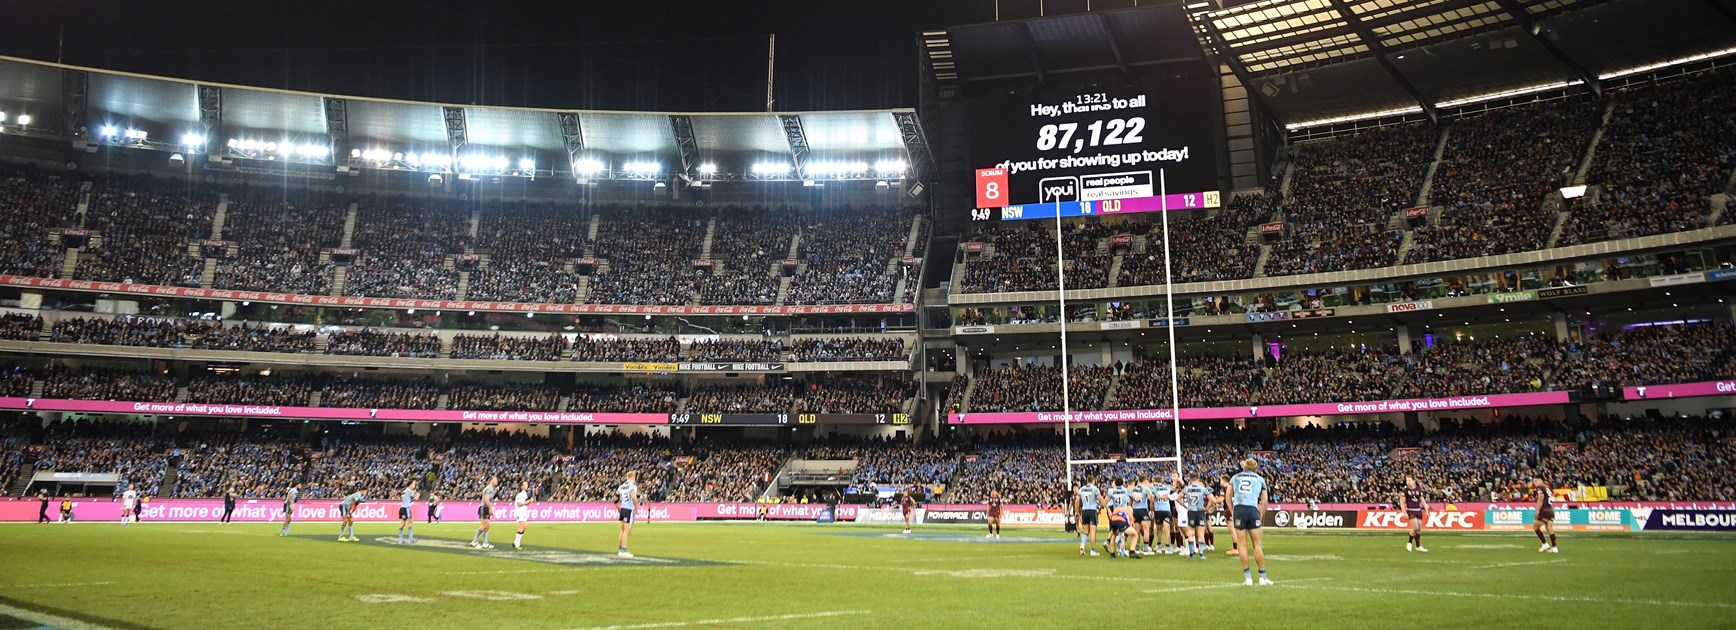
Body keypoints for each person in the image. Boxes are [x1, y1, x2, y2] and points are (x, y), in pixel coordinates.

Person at [1230, 458, 1272, 586]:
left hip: (1239, 508)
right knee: (1257, 544)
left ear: (1244, 467)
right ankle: (1262, 577)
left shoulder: (1235, 477)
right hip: (1252, 510)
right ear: (1255, 469)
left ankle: (1248, 578)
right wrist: (1260, 514)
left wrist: (1232, 510)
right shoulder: (1259, 479)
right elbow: (1264, 500)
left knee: (1242, 545)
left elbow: (1228, 494)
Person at [1181, 473, 1211, 560]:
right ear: (1198, 480)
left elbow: (1178, 498)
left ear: (1190, 480)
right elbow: (1212, 499)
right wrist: (1206, 508)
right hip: (1200, 512)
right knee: (1201, 533)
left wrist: (1184, 505)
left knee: (1190, 533)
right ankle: (1201, 554)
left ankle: (1191, 553)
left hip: (1191, 512)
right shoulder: (1202, 489)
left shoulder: (1186, 489)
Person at [1400, 475, 1429, 552]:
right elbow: (1402, 503)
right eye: (1407, 480)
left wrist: (1426, 510)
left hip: (1418, 510)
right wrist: (1404, 512)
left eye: (1409, 480)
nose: (1408, 482)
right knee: (1415, 527)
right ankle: (1409, 542)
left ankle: (1418, 546)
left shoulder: (1419, 490)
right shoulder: (1405, 491)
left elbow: (1422, 501)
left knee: (1419, 529)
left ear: (1413, 481)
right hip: (1410, 510)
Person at [1103, 478, 1131, 556]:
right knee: (1123, 532)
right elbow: (1132, 498)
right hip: (1123, 513)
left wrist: (1107, 509)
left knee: (1114, 532)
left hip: (1115, 513)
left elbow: (1105, 501)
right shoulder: (1126, 490)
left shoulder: (1111, 491)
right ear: (1123, 483)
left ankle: (1111, 547)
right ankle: (1122, 550)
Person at [1075, 475, 1101, 557]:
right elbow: (1100, 499)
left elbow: (1077, 500)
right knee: (1093, 531)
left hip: (1084, 510)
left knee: (1085, 531)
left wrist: (1076, 512)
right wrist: (1106, 507)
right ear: (1093, 480)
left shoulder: (1081, 489)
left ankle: (1082, 546)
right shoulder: (1095, 489)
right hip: (1092, 510)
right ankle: (1093, 550)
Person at [617, 471, 640, 558]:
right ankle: (623, 550)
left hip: (623, 509)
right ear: (633, 477)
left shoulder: (622, 486)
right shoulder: (633, 486)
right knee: (627, 531)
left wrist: (618, 507)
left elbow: (615, 497)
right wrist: (637, 508)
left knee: (622, 530)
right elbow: (634, 498)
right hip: (629, 509)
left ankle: (620, 549)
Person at [1533, 478, 1559, 553]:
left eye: (1536, 481)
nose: (1534, 483)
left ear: (1540, 481)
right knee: (1549, 528)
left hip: (1544, 511)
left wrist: (1537, 510)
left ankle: (1544, 544)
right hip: (1550, 510)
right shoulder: (1547, 489)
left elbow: (1540, 499)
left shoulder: (1540, 488)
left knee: (1535, 527)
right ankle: (1554, 547)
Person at [470, 476, 497, 549]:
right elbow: (486, 499)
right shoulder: (489, 488)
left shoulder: (491, 488)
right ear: (491, 480)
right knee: (484, 526)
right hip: (484, 508)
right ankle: (474, 541)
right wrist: (490, 508)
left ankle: (485, 543)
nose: (496, 481)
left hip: (486, 507)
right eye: (495, 479)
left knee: (487, 526)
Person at [1150, 475, 1175, 555]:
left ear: (1155, 482)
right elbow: (1174, 489)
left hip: (1158, 510)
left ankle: (1159, 547)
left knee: (1159, 530)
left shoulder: (1154, 489)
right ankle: (1168, 548)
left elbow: (1151, 498)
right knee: (1167, 530)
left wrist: (1152, 509)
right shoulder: (1167, 487)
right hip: (1166, 510)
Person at [512, 481, 531, 551]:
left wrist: (529, 501)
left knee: (524, 527)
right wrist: (527, 502)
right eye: (525, 484)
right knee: (521, 527)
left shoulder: (525, 494)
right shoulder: (520, 495)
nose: (527, 485)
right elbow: (519, 504)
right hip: (520, 513)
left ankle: (515, 542)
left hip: (523, 512)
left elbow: (525, 503)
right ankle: (517, 544)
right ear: (521, 486)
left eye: (527, 484)